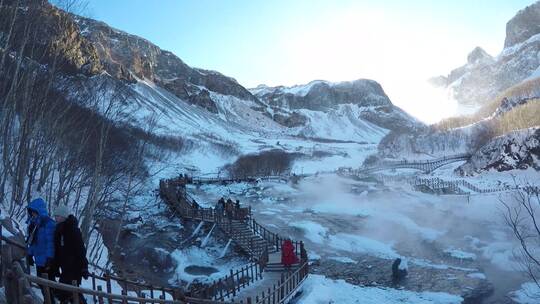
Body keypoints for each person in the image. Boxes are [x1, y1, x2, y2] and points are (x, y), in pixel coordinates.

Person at [53, 205, 89, 304]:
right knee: (65, 291)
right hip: (65, 267)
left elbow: (81, 249)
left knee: (70, 290)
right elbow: (58, 250)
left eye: (57, 216)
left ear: (63, 216)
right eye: (55, 216)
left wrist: (84, 266)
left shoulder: (73, 230)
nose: (55, 218)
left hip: (75, 267)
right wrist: (56, 266)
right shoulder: (59, 230)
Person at [26, 198, 56, 304]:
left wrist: (50, 258)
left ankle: (50, 302)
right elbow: (33, 242)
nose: (32, 214)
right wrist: (30, 254)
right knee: (41, 283)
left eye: (34, 212)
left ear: (39, 211)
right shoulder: (35, 225)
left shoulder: (49, 224)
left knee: (48, 285)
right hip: (39, 260)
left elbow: (51, 243)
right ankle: (48, 301)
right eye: (31, 212)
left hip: (47, 261)